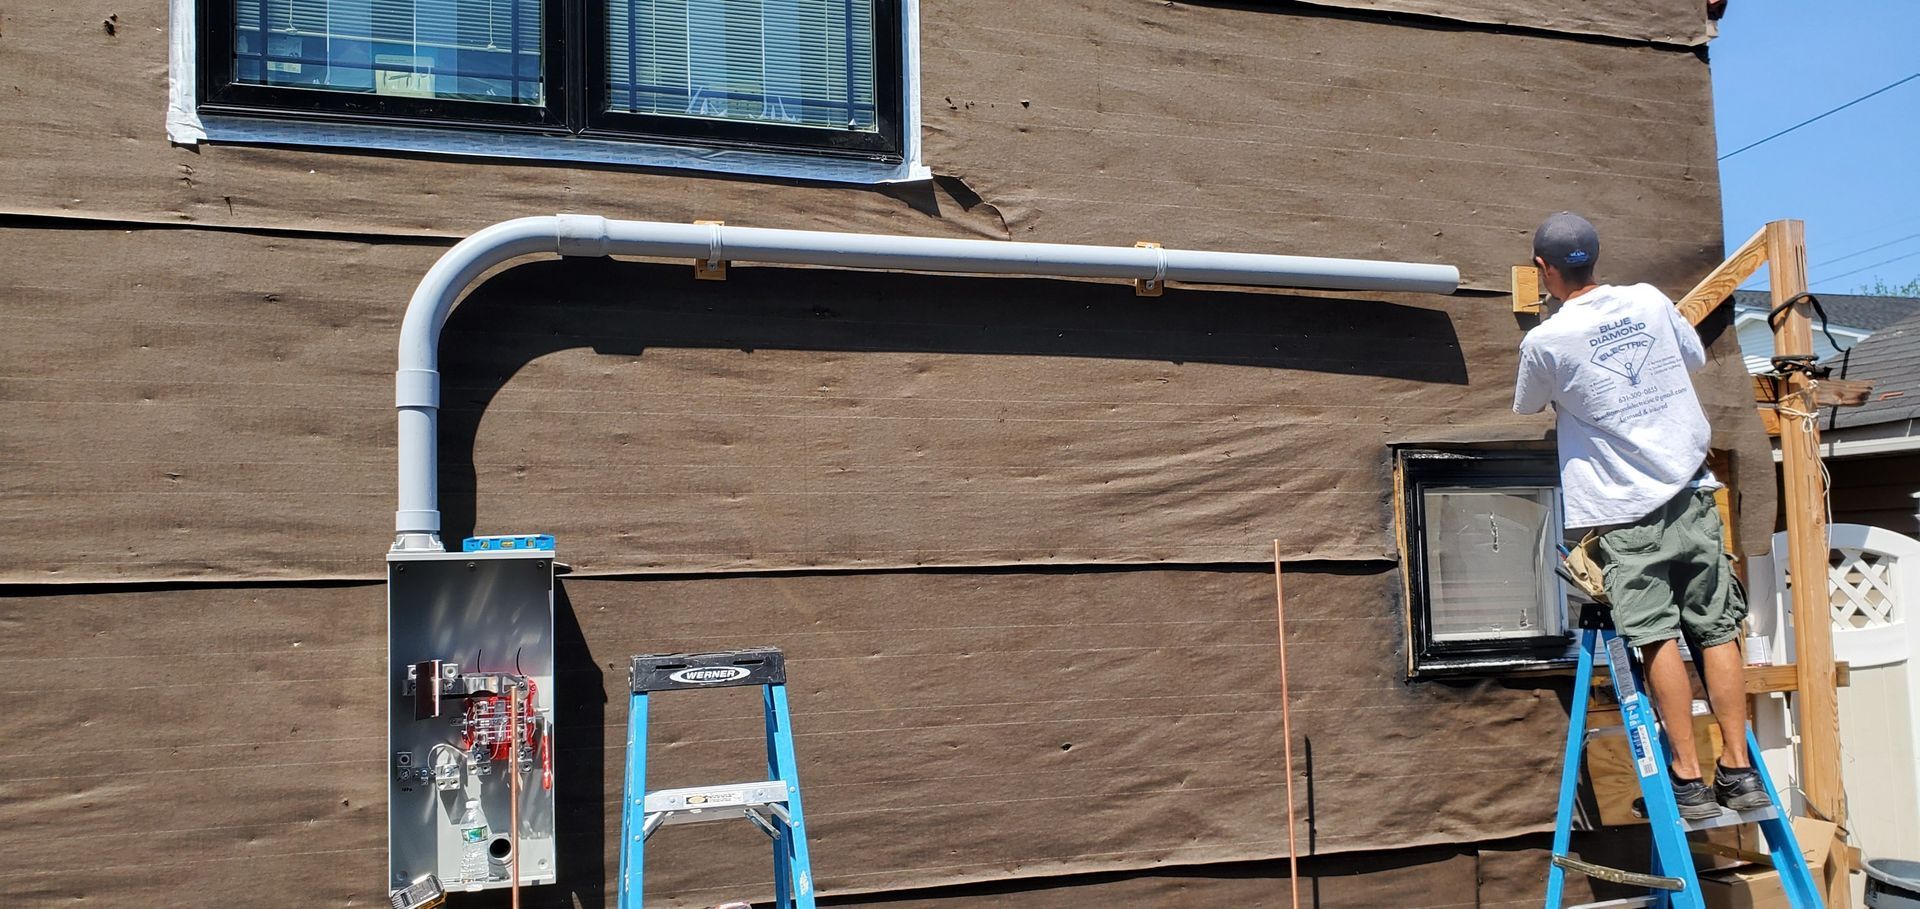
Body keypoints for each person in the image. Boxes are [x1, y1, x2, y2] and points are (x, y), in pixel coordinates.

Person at [1513, 212, 1768, 819]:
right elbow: (1693, 361)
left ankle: (1687, 779)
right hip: (1693, 493)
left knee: (1657, 640)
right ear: (1596, 256)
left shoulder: (1547, 340)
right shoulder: (1650, 301)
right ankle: (1738, 770)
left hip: (1625, 511)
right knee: (1716, 630)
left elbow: (1528, 406)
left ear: (1545, 270)